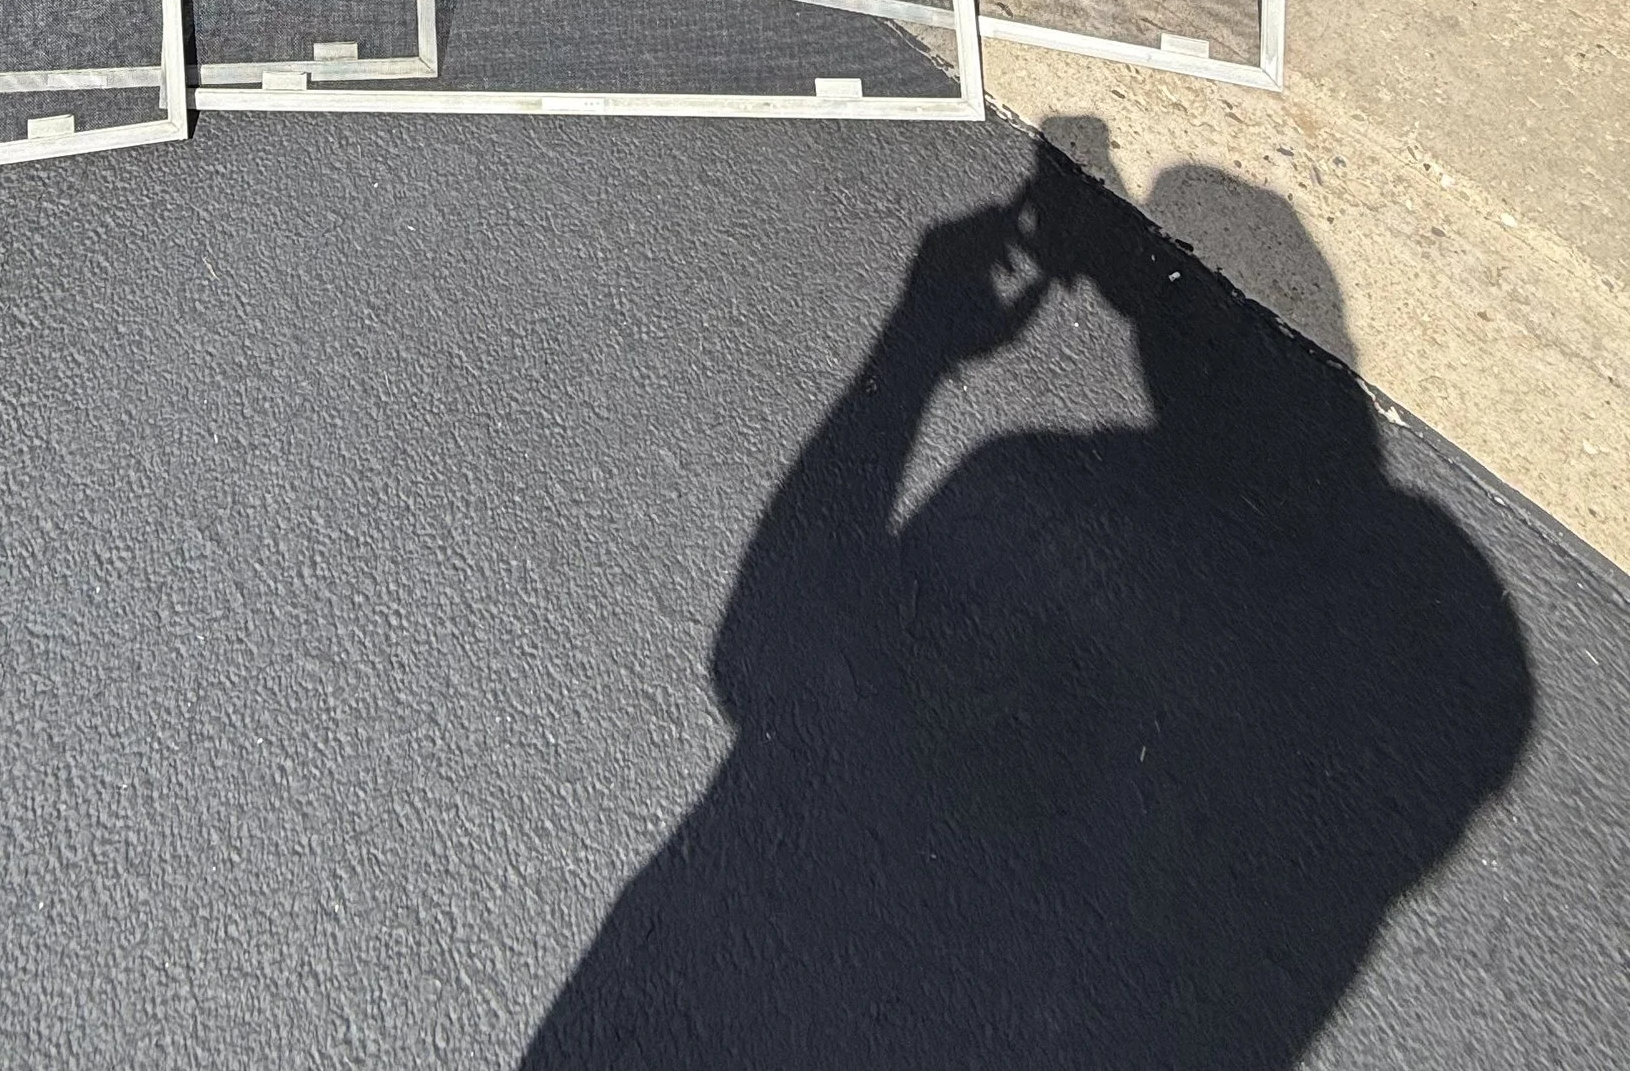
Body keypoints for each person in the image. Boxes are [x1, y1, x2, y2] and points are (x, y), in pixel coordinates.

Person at [524, 152, 1534, 1070]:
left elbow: (769, 655)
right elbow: (767, 653)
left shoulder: (1053, 505)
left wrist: (916, 347)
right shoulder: (1050, 512)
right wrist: (918, 343)